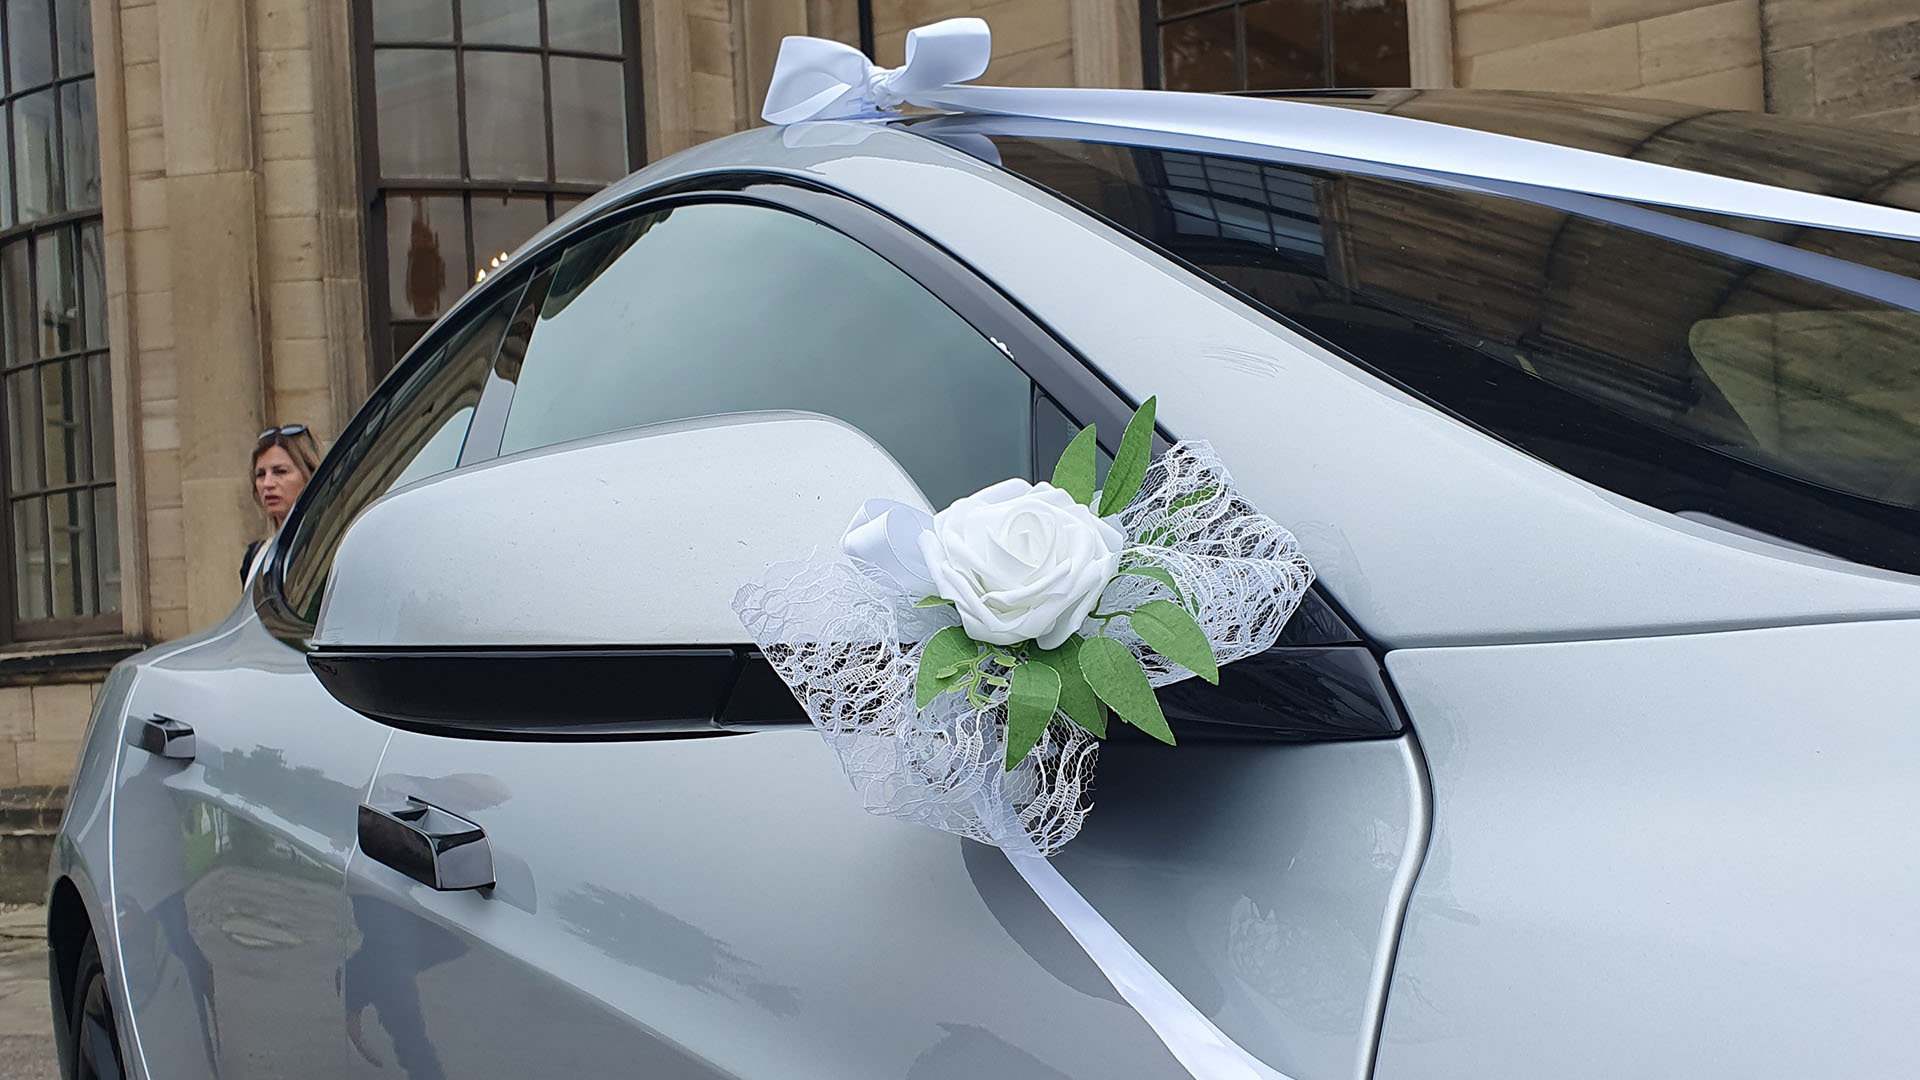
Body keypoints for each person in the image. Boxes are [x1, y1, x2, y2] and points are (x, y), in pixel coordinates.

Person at [244, 424, 320, 583]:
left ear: (310, 476)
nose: (267, 483)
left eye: (280, 471)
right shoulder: (255, 556)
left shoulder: (328, 548)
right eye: (260, 474)